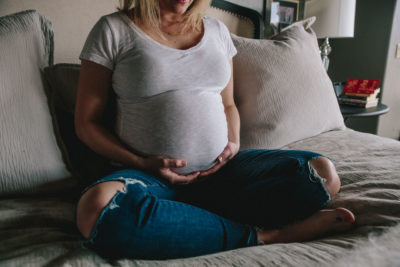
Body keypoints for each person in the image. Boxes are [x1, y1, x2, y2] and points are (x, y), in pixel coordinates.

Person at [75, 0, 355, 260]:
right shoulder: (113, 29)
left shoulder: (217, 31)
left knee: (321, 173)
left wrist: (233, 143)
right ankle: (264, 235)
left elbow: (228, 105)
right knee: (95, 208)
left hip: (222, 175)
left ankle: (195, 223)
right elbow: (87, 123)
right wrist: (141, 162)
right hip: (150, 179)